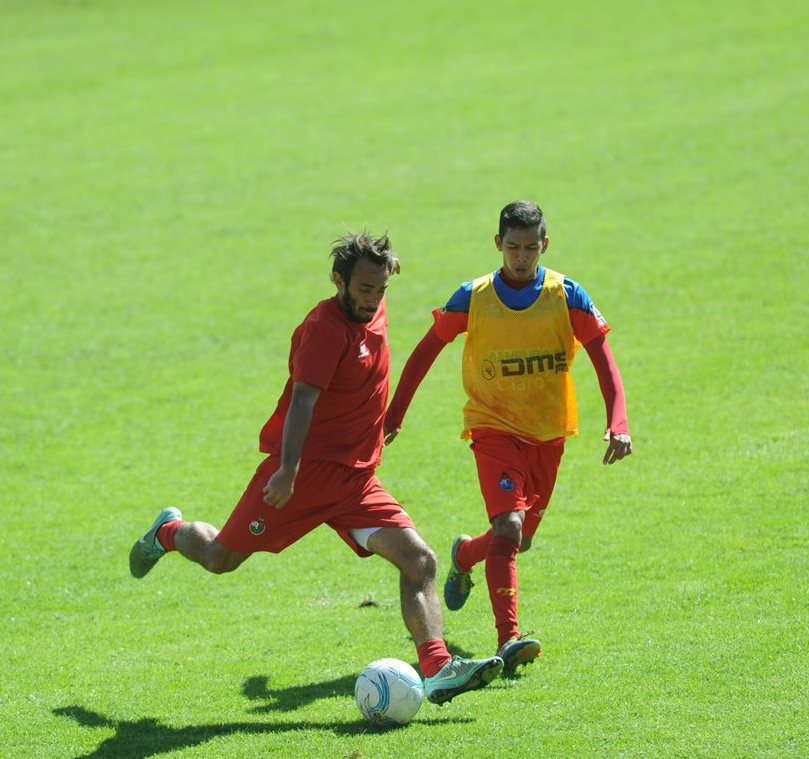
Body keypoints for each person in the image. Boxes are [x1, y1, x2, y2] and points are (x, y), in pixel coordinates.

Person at [129, 231, 503, 705]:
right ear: (338, 281)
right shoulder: (324, 332)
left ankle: (438, 668)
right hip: (301, 477)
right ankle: (168, 532)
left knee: (421, 561)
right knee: (220, 558)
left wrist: (386, 266)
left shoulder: (372, 296)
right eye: (363, 289)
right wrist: (286, 470)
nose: (372, 301)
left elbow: (377, 277)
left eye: (380, 290)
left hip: (355, 481)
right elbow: (303, 401)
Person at [383, 201, 632, 675]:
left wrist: (618, 422)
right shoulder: (473, 297)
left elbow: (605, 360)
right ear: (498, 244)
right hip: (492, 427)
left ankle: (464, 555)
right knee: (510, 528)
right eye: (512, 247)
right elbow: (425, 351)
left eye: (530, 248)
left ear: (545, 245)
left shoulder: (568, 297)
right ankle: (509, 639)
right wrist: (395, 414)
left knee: (517, 539)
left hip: (548, 434)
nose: (521, 256)